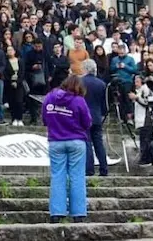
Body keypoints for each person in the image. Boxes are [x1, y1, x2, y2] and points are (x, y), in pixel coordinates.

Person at [42, 74, 92, 224]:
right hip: (76, 141)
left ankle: (56, 213)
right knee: (77, 177)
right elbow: (88, 122)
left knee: (58, 176)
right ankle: (78, 213)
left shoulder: (49, 98)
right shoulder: (79, 100)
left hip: (56, 141)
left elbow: (44, 119)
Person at [78, 59, 108, 176]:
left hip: (83, 116)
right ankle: (103, 168)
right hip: (97, 116)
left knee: (87, 142)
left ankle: (89, 169)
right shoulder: (101, 84)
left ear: (85, 69)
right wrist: (103, 114)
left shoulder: (80, 82)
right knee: (99, 143)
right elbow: (104, 103)